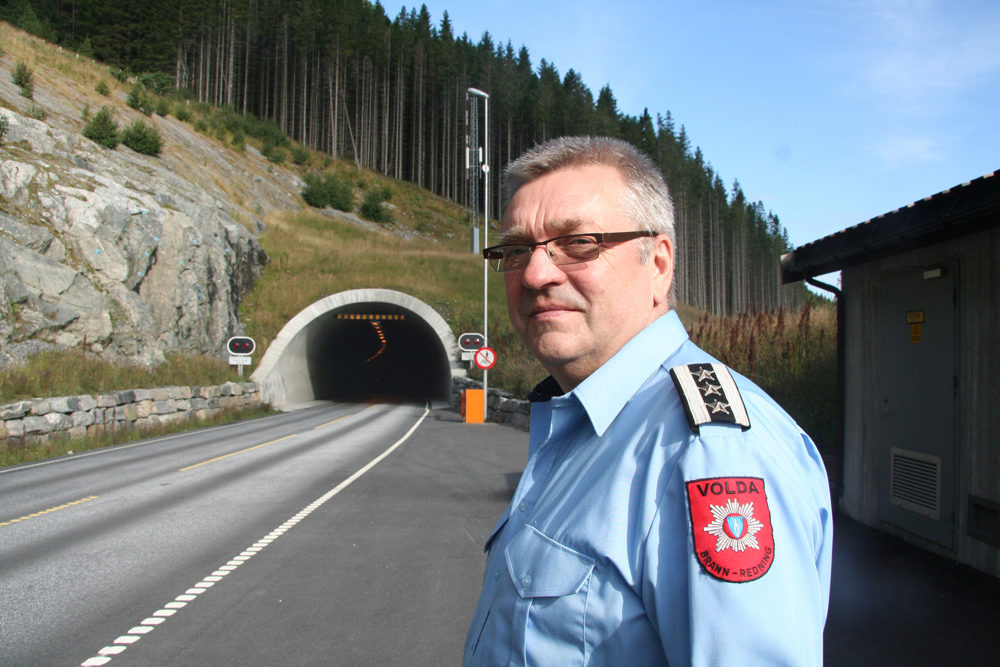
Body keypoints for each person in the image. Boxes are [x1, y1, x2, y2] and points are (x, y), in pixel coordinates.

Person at [463, 136, 833, 666]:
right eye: (517, 250)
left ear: (658, 264)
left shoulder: (709, 452)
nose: (535, 273)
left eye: (579, 242)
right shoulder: (581, 422)